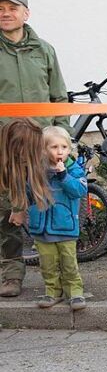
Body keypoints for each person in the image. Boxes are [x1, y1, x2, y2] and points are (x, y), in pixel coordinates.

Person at [0, 0, 70, 299]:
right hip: (5, 145)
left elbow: (59, 98)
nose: (5, 13)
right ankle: (12, 275)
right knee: (7, 212)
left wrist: (64, 139)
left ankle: (56, 279)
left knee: (48, 208)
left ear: (26, 13)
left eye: (12, 8)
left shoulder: (44, 51)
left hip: (41, 144)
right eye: (0, 8)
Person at [27, 126, 87, 310]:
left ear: (70, 149)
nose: (60, 151)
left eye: (64, 147)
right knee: (47, 264)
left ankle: (75, 292)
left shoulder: (73, 169)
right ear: (44, 149)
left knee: (69, 263)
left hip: (65, 226)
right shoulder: (37, 169)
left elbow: (79, 190)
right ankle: (52, 291)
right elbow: (29, 192)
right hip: (42, 227)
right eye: (54, 147)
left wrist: (63, 176)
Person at [1, 120, 52, 298]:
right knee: (6, 226)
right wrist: (17, 208)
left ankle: (59, 278)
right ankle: (11, 275)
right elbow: (12, 181)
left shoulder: (36, 151)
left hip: (35, 128)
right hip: (6, 181)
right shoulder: (6, 158)